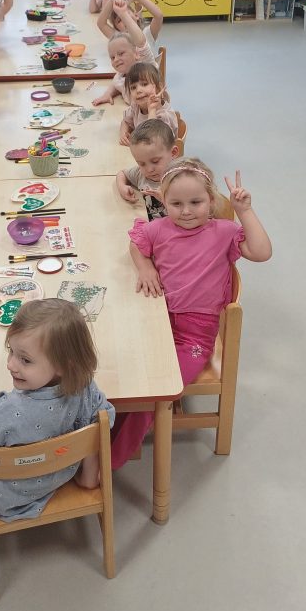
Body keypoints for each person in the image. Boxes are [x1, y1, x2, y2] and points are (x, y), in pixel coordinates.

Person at [111, 159, 272, 468]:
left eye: (195, 202)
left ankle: (108, 462)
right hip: (156, 322)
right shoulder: (158, 228)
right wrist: (145, 267)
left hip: (195, 336)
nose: (186, 211)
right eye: (176, 204)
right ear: (163, 201)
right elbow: (136, 245)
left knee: (158, 393)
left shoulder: (224, 231)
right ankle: (96, 442)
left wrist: (244, 211)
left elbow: (262, 252)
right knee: (124, 377)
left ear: (211, 200)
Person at [0, 299, 115, 522]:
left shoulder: (10, 412)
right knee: (95, 425)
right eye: (11, 351)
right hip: (60, 471)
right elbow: (103, 417)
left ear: (63, 365)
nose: (10, 364)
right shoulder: (85, 386)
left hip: (7, 497)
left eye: (25, 360)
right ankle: (89, 478)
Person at [91, 0, 157, 106]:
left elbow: (141, 43)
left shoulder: (145, 66)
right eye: (112, 57)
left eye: (121, 54)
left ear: (136, 53)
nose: (116, 59)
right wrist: (107, 94)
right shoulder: (121, 75)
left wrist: (123, 14)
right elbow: (116, 82)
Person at [116, 119, 180, 220]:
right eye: (141, 164)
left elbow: (191, 212)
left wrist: (166, 200)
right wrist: (122, 186)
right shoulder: (140, 174)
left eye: (155, 161)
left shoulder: (182, 179)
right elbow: (122, 173)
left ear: (173, 153)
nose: (149, 169)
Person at [120, 62, 178, 145]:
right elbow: (125, 121)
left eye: (144, 84)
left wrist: (152, 111)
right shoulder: (136, 107)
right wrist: (123, 134)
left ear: (159, 88)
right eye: (133, 87)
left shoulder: (164, 116)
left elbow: (153, 142)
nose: (138, 90)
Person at [97, 0, 164, 55]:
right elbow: (101, 23)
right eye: (119, 20)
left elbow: (158, 16)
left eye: (126, 14)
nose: (124, 19)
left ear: (136, 16)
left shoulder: (147, 33)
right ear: (117, 27)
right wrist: (112, 0)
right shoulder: (119, 38)